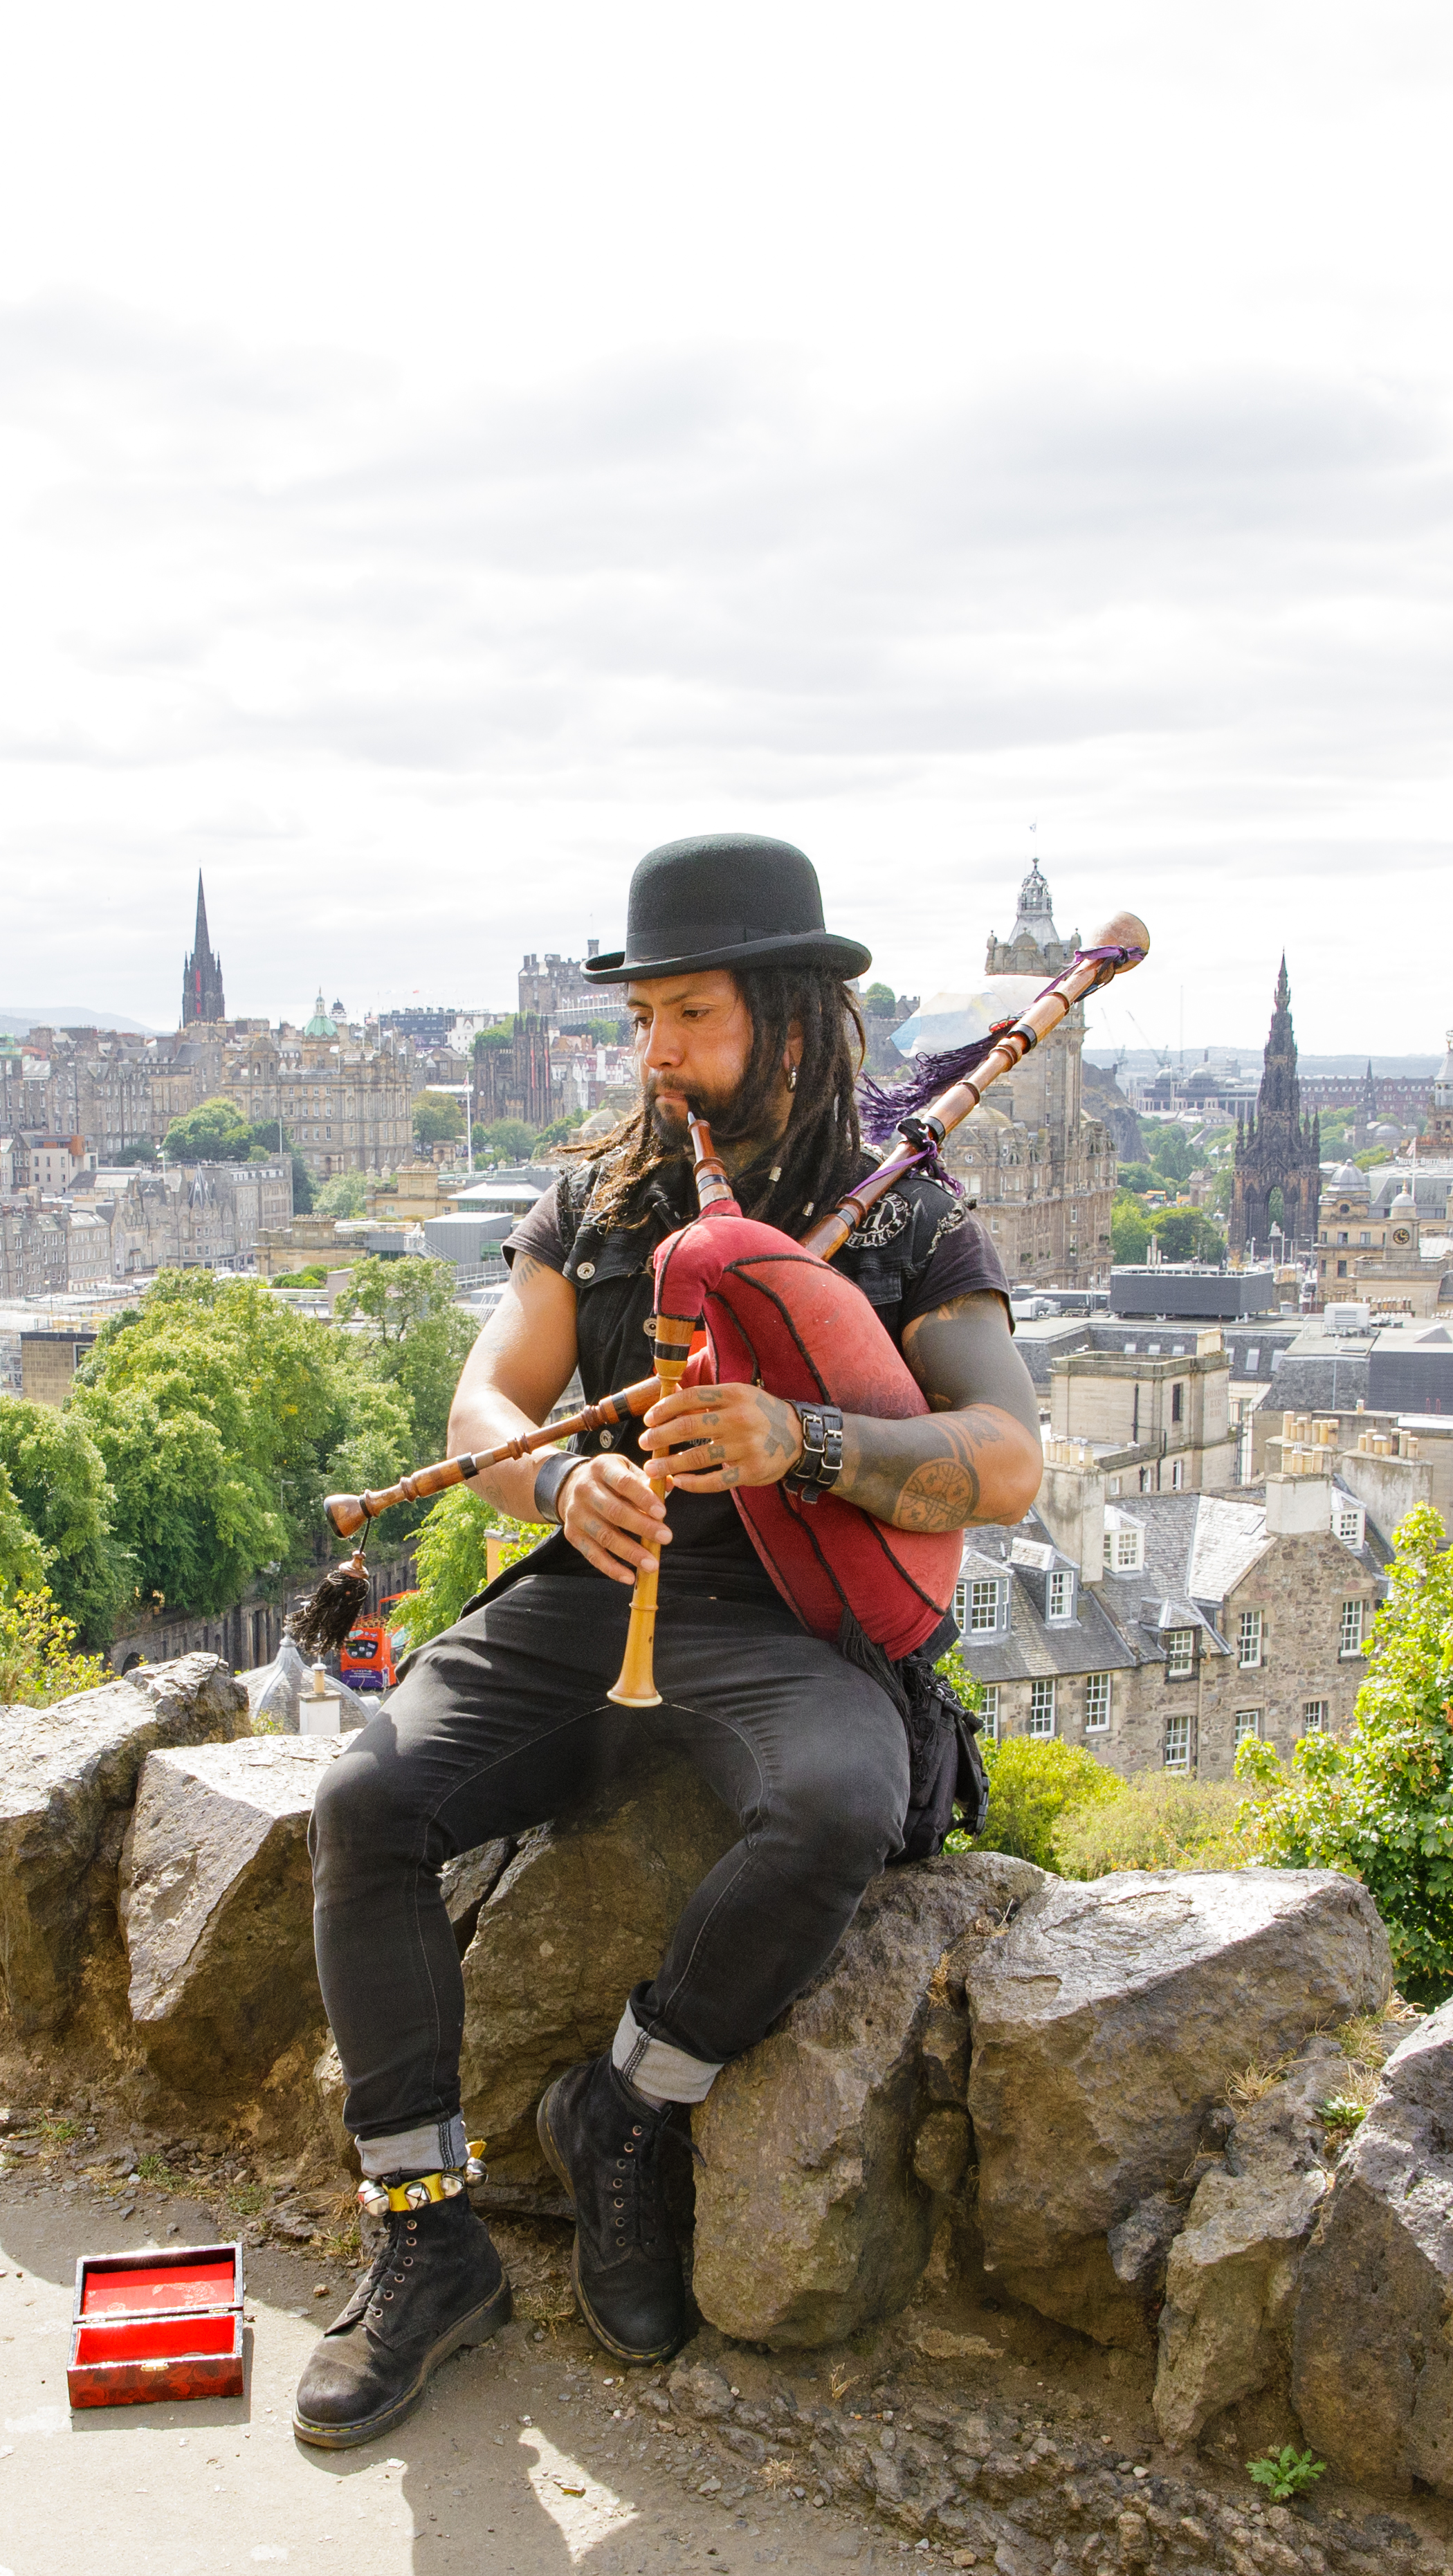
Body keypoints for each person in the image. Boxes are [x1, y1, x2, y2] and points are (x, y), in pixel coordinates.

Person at [292, 834, 1045, 2449]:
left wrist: (810, 1441)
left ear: (787, 1011)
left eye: (690, 1015)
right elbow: (482, 1409)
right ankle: (428, 2238)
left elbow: (1010, 1459)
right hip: (596, 1594)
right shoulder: (606, 1192)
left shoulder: (906, 1219)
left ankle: (626, 2105)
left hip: (791, 1618)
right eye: (643, 1020)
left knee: (838, 1802)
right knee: (366, 1803)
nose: (659, 1055)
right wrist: (563, 1480)